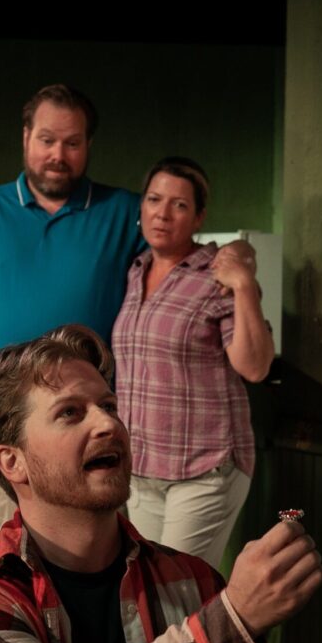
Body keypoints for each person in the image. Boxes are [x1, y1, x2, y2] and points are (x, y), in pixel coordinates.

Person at [0, 325, 322, 643]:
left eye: (109, 406)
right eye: (70, 412)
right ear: (12, 461)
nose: (108, 423)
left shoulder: (196, 582)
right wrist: (231, 623)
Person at [0, 84, 145, 533]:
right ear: (26, 137)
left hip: (96, 417)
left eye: (72, 143)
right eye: (47, 140)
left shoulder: (125, 214)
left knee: (103, 544)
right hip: (10, 416)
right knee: (21, 547)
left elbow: (176, 270)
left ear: (88, 145)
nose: (57, 154)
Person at [111, 157, 274, 567]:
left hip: (204, 468)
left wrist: (244, 284)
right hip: (143, 470)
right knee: (150, 585)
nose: (163, 213)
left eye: (179, 204)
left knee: (178, 588)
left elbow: (255, 366)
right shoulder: (136, 271)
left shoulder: (218, 275)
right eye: (154, 199)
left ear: (199, 217)